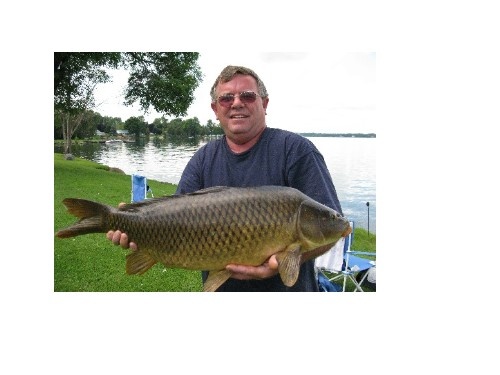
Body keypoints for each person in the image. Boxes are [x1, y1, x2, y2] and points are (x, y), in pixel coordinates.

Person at [107, 65, 344, 291]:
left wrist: (281, 263)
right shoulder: (203, 158)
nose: (237, 103)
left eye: (248, 96)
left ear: (265, 103)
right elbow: (172, 219)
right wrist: (131, 222)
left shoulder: (296, 151)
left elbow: (331, 229)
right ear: (215, 109)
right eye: (227, 98)